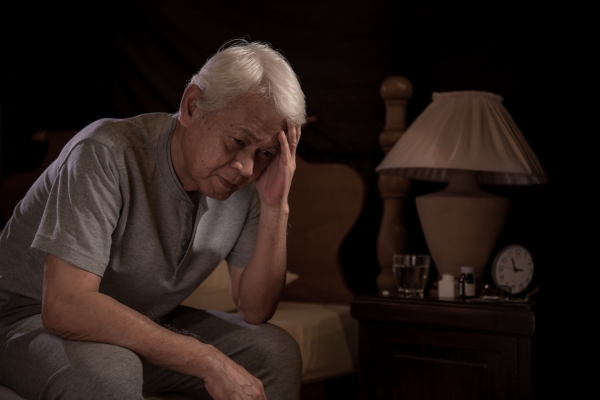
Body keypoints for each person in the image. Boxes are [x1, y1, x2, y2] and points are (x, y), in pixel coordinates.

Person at [0, 40, 305, 399]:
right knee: (112, 369)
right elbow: (64, 306)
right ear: (192, 106)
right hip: (24, 318)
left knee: (274, 352)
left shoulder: (244, 184)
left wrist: (276, 206)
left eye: (266, 152)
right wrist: (205, 359)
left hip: (138, 320)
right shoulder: (104, 151)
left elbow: (255, 309)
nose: (247, 168)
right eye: (238, 141)